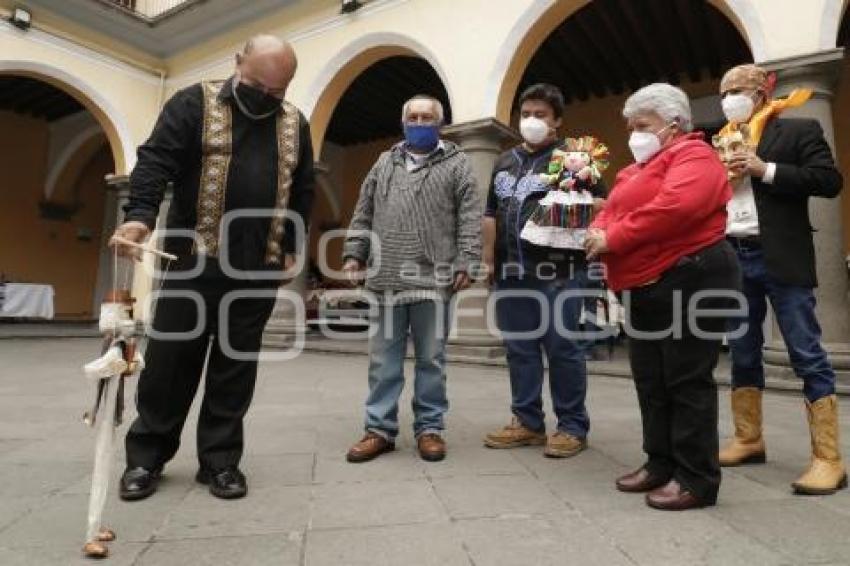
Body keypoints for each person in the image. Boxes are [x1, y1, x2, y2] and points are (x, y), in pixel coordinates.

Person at [112, 35, 315, 500]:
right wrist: (140, 217)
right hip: (191, 262)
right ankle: (146, 458)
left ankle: (220, 462)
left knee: (235, 367)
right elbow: (155, 160)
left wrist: (291, 245)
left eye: (276, 93)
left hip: (257, 269)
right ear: (238, 63)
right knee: (169, 364)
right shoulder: (192, 103)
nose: (265, 99)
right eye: (256, 85)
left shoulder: (294, 123)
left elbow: (303, 187)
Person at [585, 83, 740, 510]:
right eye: (631, 126)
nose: (634, 134)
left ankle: (696, 478)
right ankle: (660, 462)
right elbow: (609, 209)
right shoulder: (632, 172)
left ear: (673, 125)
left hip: (692, 277)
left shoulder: (695, 155)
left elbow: (675, 208)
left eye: (643, 125)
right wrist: (598, 228)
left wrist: (612, 237)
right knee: (650, 379)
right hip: (643, 285)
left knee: (686, 380)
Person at [716, 64, 846, 495]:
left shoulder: (798, 129)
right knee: (742, 350)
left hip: (781, 256)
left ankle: (828, 459)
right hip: (735, 257)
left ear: (760, 91)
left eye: (738, 89)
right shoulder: (719, 138)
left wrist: (763, 168)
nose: (730, 96)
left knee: (806, 353)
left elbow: (829, 181)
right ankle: (748, 438)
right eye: (724, 91)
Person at [341, 95, 480, 463]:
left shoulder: (458, 164)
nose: (420, 122)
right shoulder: (384, 162)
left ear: (440, 123)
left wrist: (468, 260)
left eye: (427, 117)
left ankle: (430, 429)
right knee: (382, 360)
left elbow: (469, 216)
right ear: (403, 123)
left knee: (431, 360)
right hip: (385, 275)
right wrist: (355, 252)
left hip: (435, 278)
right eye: (413, 117)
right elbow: (364, 209)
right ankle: (379, 429)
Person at [482, 84, 606, 458]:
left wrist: (564, 212)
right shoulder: (504, 160)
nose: (531, 121)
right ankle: (528, 423)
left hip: (561, 271)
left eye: (540, 115)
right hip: (510, 271)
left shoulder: (575, 157)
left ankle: (572, 426)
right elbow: (490, 213)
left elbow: (601, 204)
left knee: (563, 347)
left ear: (557, 121)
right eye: (526, 114)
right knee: (519, 349)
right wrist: (487, 258)